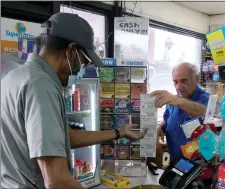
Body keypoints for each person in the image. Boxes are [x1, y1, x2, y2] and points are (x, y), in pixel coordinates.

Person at [1, 13, 147, 189]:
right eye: (84, 62)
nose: (82, 70)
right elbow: (57, 180)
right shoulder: (41, 86)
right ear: (71, 51)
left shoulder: (15, 77)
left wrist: (118, 132)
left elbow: (67, 136)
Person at [151, 62, 209, 159]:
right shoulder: (172, 101)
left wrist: (177, 100)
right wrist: (159, 127)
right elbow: (167, 120)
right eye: (175, 82)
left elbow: (203, 111)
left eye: (183, 81)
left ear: (197, 79)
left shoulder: (206, 99)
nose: (178, 87)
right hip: (174, 161)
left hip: (197, 164)